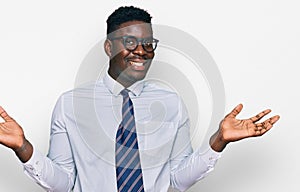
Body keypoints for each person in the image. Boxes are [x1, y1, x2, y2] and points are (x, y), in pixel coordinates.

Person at [0, 6, 280, 192]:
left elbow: (178, 178)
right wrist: (23, 147)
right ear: (109, 47)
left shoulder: (171, 103)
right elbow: (63, 182)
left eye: (149, 43)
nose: (142, 51)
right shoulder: (71, 104)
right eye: (130, 42)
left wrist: (218, 141)